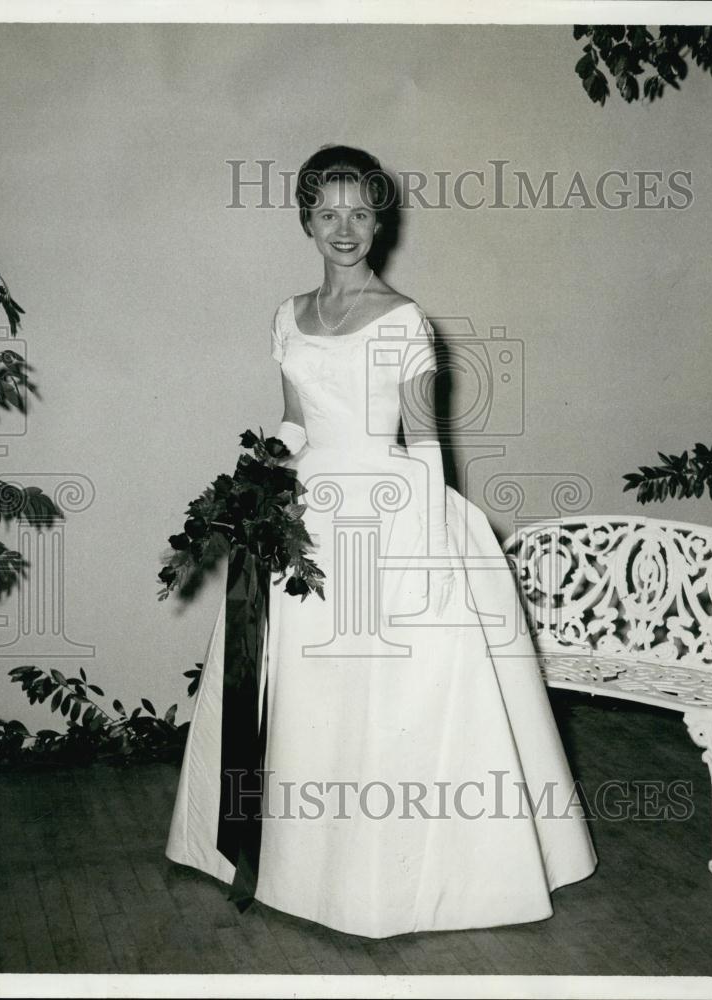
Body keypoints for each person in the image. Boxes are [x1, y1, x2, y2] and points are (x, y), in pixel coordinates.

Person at [165, 144, 597, 938]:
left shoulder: (404, 320)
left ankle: (391, 884)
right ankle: (295, 869)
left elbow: (429, 443)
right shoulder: (285, 315)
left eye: (360, 213)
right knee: (301, 695)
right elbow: (295, 422)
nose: (345, 227)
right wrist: (251, 483)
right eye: (328, 212)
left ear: (380, 222)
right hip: (303, 521)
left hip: (390, 513)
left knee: (383, 698)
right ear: (305, 219)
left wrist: (428, 549)